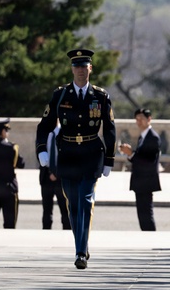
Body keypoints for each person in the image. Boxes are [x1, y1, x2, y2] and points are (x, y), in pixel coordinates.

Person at [35, 48, 116, 269]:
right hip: (67, 154)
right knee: (72, 205)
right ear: (72, 69)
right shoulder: (61, 95)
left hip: (91, 153)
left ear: (90, 68)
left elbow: (109, 129)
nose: (80, 70)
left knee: (85, 200)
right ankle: (82, 243)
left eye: (84, 66)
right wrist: (42, 151)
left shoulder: (100, 96)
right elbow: (44, 125)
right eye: (76, 66)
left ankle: (80, 252)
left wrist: (109, 159)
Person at [118, 107, 161, 231]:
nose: (139, 121)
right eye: (137, 119)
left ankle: (150, 236)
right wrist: (130, 154)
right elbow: (141, 156)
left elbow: (149, 160)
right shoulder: (143, 136)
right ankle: (146, 235)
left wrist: (131, 153)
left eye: (141, 118)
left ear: (149, 119)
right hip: (141, 181)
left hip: (146, 180)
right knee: (142, 213)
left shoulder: (153, 137)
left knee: (146, 212)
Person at [39, 164, 71, 230]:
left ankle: (67, 233)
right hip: (46, 178)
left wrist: (56, 173)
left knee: (65, 210)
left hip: (62, 179)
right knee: (46, 211)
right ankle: (46, 232)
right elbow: (39, 154)